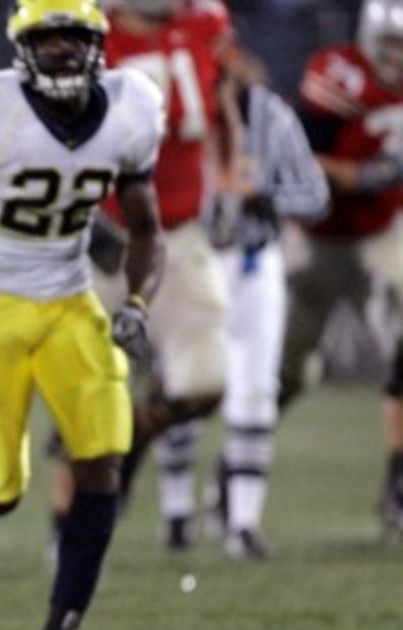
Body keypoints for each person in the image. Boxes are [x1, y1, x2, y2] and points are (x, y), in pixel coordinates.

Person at [0, 1, 165, 627]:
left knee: (102, 454)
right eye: (49, 39)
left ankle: (65, 616)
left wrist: (136, 302)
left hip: (71, 300)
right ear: (22, 46)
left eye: (76, 38)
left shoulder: (131, 107)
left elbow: (150, 230)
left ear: (98, 43)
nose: (64, 51)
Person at [84, 0, 235, 549]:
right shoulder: (82, 32)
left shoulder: (204, 22)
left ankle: (134, 440)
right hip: (102, 231)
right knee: (79, 384)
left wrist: (234, 171)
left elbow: (225, 98)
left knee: (206, 381)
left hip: (180, 230)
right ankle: (70, 537)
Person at [285, 0, 403, 536]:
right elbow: (296, 155)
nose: (399, 57)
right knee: (283, 373)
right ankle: (235, 476)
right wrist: (354, 175)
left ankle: (396, 489)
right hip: (321, 237)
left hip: (384, 233)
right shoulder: (339, 74)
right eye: (393, 44)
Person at [203, 73, 330, 559]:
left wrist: (265, 194)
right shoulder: (172, 114)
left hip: (256, 260)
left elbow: (315, 195)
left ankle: (242, 523)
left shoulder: (271, 117)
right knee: (191, 384)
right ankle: (175, 513)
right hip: (194, 257)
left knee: (256, 389)